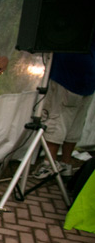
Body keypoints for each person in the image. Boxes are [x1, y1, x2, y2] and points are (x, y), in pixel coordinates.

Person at [33, 40, 95, 180]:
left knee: (56, 119)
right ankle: (66, 165)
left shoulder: (77, 19)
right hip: (89, 78)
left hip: (67, 76)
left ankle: (49, 165)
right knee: (75, 124)